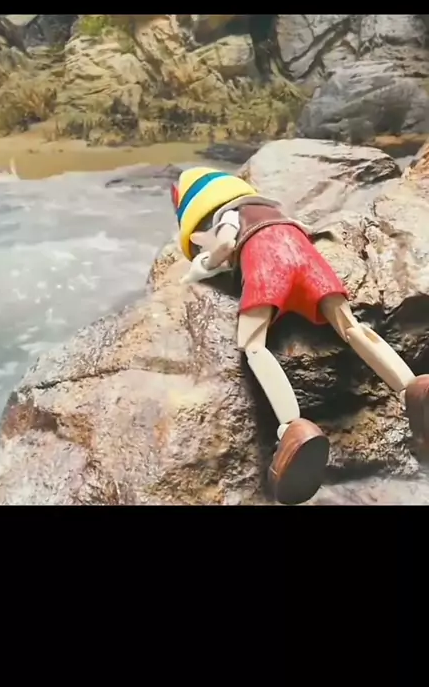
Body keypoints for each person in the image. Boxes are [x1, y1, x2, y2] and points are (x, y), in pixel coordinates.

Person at [171, 166, 429, 505]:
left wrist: (203, 266)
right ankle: (412, 387)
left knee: (253, 345)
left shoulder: (229, 216)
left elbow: (225, 245)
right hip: (306, 259)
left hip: (267, 262)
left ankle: (293, 429)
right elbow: (308, 231)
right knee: (351, 327)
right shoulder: (274, 210)